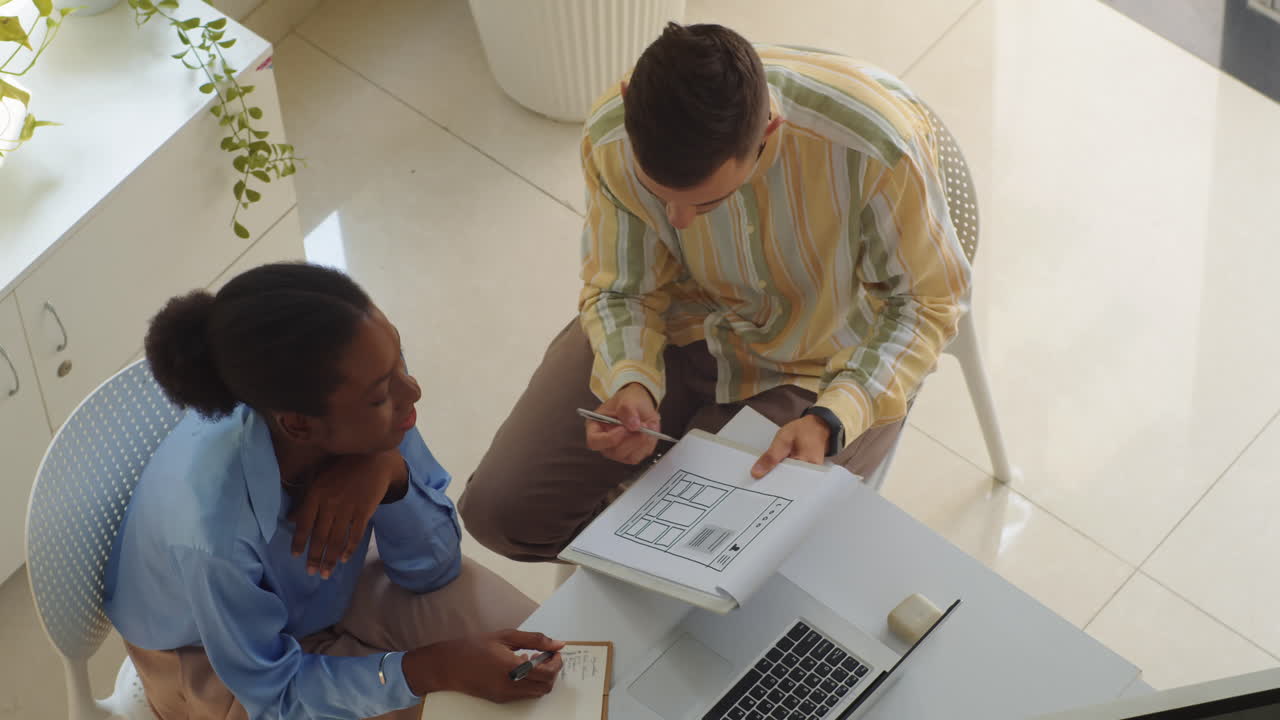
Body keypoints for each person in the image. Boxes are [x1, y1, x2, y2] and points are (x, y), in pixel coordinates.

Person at [460, 23, 972, 562]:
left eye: (706, 204)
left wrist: (833, 418)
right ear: (631, 99)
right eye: (662, 197)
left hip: (817, 362)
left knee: (700, 563)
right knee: (500, 516)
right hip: (678, 330)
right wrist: (630, 380)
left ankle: (651, 573)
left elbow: (924, 302)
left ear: (768, 132)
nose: (678, 220)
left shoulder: (874, 150)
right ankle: (628, 562)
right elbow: (622, 287)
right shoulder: (613, 132)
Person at [104, 262, 564, 720]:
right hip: (213, 658)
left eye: (399, 360)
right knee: (475, 711)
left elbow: (432, 570)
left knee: (564, 660)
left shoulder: (373, 411)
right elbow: (276, 695)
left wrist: (390, 473)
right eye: (382, 393)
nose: (413, 391)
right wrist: (432, 668)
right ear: (300, 424)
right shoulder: (210, 534)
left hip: (327, 585)